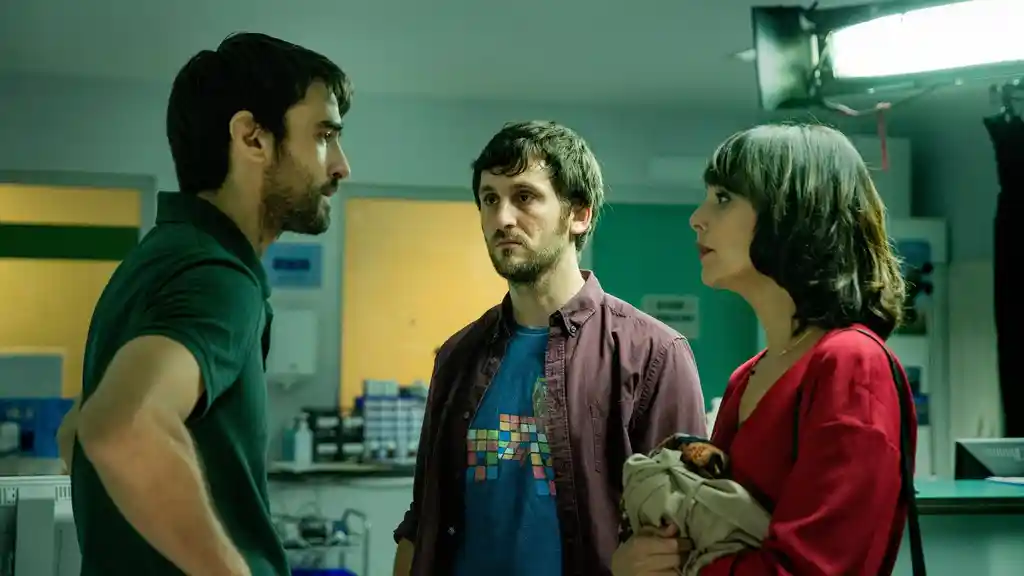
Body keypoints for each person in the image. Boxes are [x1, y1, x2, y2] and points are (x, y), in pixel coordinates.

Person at [58, 33, 352, 576]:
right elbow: (120, 426)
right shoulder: (219, 277)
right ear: (252, 137)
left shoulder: (158, 257)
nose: (341, 166)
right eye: (324, 136)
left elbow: (74, 430)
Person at [392, 121, 708, 576]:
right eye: (489, 199)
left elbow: (680, 534)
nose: (502, 218)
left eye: (524, 197)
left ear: (579, 215)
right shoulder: (458, 355)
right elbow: (423, 518)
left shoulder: (652, 354)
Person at [612, 123, 916, 575]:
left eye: (722, 198)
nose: (697, 217)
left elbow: (817, 568)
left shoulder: (852, 363)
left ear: (792, 213)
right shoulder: (748, 375)